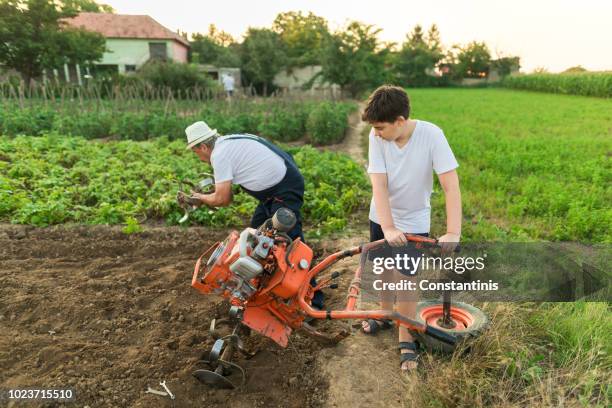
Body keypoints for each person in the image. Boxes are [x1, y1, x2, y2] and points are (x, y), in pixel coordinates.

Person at [361, 85, 462, 372]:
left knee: (406, 279)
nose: (377, 133)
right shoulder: (376, 136)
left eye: (381, 127)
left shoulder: (432, 135)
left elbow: (449, 184)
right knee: (382, 268)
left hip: (415, 220)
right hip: (381, 216)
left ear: (400, 121)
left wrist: (453, 231)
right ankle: (383, 313)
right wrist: (388, 225)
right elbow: (378, 183)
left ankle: (405, 335)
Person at [184, 120, 324, 308]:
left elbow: (223, 199)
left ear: (203, 146)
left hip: (283, 189)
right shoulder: (227, 142)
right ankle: (267, 292)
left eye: (196, 152)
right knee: (254, 239)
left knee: (292, 244)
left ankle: (314, 299)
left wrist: (200, 198)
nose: (198, 157)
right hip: (272, 193)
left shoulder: (219, 154)